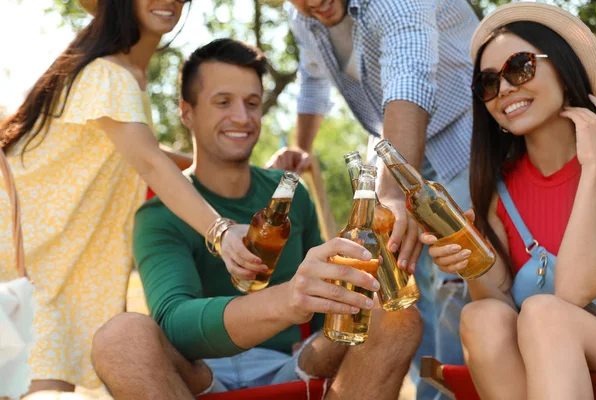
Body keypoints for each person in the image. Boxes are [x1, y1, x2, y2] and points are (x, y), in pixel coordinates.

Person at [90, 38, 422, 400]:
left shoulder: (291, 196)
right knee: (119, 337)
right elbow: (174, 325)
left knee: (395, 315)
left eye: (252, 103)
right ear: (186, 112)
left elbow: (323, 316)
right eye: (223, 102)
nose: (242, 117)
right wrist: (288, 300)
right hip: (198, 377)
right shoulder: (159, 214)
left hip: (292, 368)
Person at [0, 0, 256, 393]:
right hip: (35, 254)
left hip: (63, 257)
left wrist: (227, 167)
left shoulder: (123, 75)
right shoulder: (108, 74)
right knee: (43, 384)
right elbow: (151, 163)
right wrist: (221, 232)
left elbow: (141, 153)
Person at [265, 0, 479, 396]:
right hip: (392, 141)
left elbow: (408, 79)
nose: (312, 2)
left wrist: (393, 193)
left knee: (457, 278)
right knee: (401, 285)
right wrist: (302, 148)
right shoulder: (303, 17)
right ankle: (430, 391)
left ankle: (461, 392)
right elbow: (313, 76)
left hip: (461, 134)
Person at [420, 3, 596, 399]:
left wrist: (593, 171)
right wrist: (466, 260)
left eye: (520, 68)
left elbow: (571, 296)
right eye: (488, 82)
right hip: (547, 360)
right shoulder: (498, 190)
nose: (504, 90)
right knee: (480, 316)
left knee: (545, 312)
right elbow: (500, 304)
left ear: (565, 71)